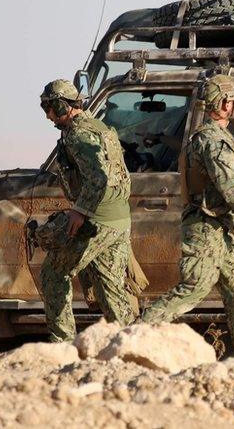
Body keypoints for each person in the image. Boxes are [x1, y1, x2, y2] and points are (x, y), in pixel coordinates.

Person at [139, 74, 234, 359]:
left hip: (218, 226)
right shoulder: (213, 140)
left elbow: (224, 181)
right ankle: (138, 333)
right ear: (226, 104)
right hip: (205, 227)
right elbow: (227, 185)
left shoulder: (209, 136)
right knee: (194, 287)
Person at [37, 79, 137, 341]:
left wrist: (79, 211)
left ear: (61, 105)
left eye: (48, 107)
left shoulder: (79, 134)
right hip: (117, 220)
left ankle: (63, 344)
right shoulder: (98, 127)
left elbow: (98, 178)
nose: (47, 115)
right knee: (110, 288)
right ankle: (133, 343)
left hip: (97, 221)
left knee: (53, 274)